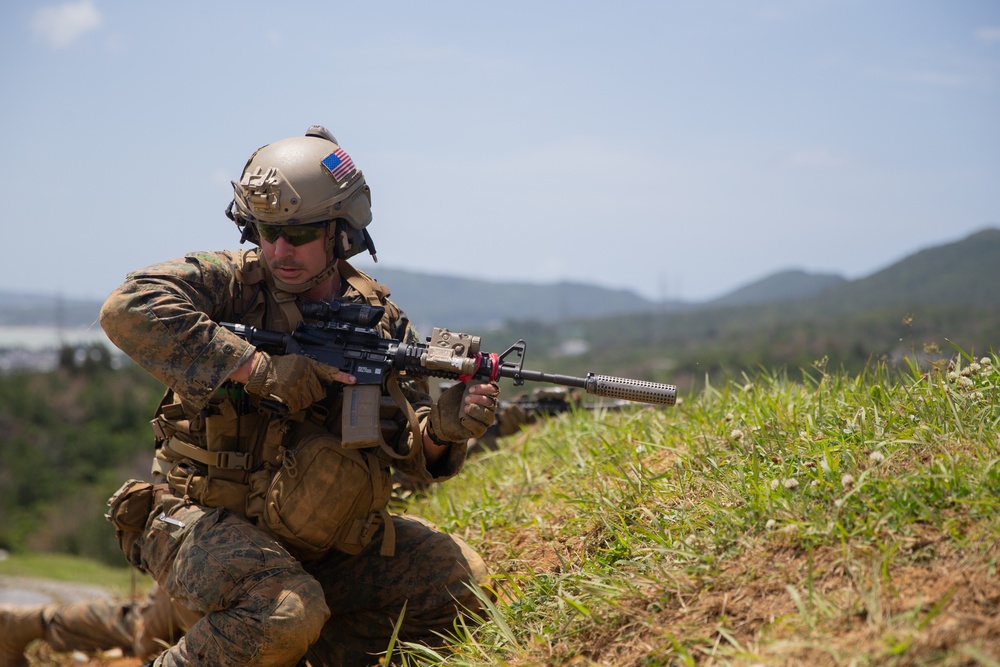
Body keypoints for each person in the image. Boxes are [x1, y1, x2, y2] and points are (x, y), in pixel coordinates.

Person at [2, 125, 500, 667]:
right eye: (264, 230)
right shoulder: (230, 284)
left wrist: (445, 433)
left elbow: (409, 448)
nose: (280, 249)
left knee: (456, 586)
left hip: (315, 540)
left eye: (301, 232)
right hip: (200, 525)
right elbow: (126, 307)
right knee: (275, 612)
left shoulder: (380, 322)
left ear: (341, 233)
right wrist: (258, 369)